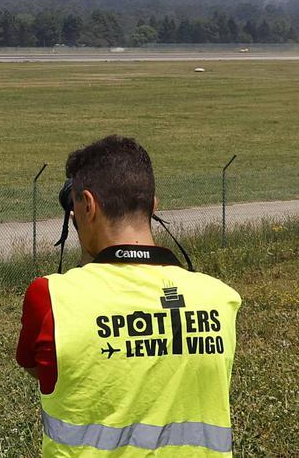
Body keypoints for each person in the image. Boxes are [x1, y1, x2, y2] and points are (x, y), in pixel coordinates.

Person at [17, 136, 241, 457]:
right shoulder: (221, 299)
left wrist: (88, 258)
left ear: (89, 206)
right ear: (153, 206)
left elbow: (45, 371)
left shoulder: (51, 298)